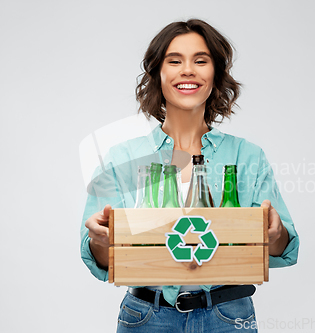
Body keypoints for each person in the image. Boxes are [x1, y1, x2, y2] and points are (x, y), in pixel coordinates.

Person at [80, 19, 299, 332]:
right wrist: (100, 240)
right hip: (147, 317)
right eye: (174, 61)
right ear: (158, 73)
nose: (187, 70)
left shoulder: (247, 156)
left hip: (227, 315)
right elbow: (98, 257)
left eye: (201, 60)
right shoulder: (123, 158)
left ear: (216, 73)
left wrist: (276, 235)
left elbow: (284, 246)